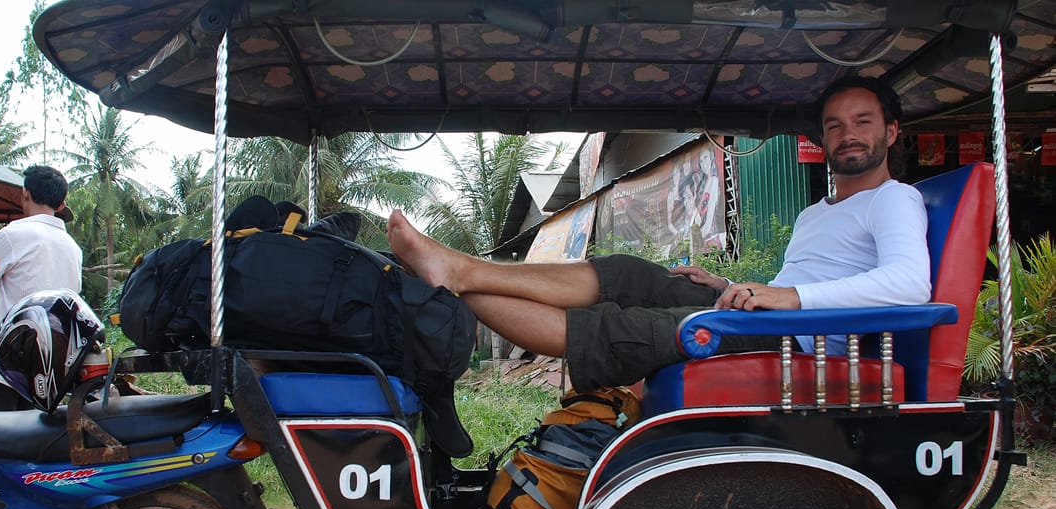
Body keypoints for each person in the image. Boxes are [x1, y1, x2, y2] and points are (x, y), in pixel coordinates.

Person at [387, 76, 931, 391]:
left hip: (805, 345)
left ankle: (456, 276)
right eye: (834, 125)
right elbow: (803, 282)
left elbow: (909, 286)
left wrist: (789, 297)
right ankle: (455, 273)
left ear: (891, 131)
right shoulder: (820, 211)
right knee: (627, 271)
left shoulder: (895, 199)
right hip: (774, 318)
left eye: (862, 122)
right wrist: (726, 285)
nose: (847, 135)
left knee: (621, 324)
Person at [0, 165, 82, 411]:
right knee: (27, 444)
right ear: (61, 205)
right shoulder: (73, 249)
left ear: (24, 194)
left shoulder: (12, 235)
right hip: (42, 367)